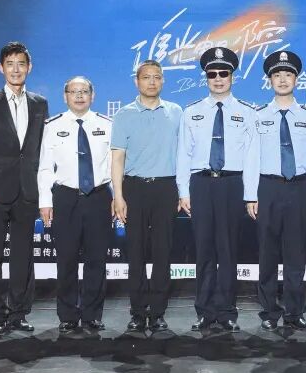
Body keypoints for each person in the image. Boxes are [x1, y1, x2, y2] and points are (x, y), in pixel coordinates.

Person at [176, 47, 260, 333]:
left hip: (232, 185)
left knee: (228, 251)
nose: (218, 79)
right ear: (206, 78)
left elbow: (252, 157)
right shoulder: (192, 112)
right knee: (204, 251)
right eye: (212, 74)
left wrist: (251, 194)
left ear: (232, 76)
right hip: (201, 185)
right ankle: (204, 311)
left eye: (224, 73)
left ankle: (227, 312)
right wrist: (183, 191)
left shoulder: (247, 112)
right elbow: (183, 154)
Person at [0, 41, 49, 337]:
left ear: (29, 67)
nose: (16, 69)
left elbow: (40, 150)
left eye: (21, 64)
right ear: (1, 67)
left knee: (23, 256)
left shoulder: (40, 103)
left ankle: (18, 313)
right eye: (10, 64)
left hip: (27, 190)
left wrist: (42, 191)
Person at [111, 60, 183, 334]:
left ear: (163, 81)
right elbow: (118, 158)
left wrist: (182, 191)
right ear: (136, 81)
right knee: (136, 253)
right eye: (146, 77)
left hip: (166, 188)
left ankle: (159, 313)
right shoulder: (124, 114)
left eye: (157, 77)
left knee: (163, 252)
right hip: (135, 188)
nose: (152, 82)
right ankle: (138, 312)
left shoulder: (176, 112)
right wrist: (118, 196)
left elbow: (184, 155)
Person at [37, 76, 113, 334]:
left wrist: (117, 198)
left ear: (93, 95)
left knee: (96, 259)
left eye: (84, 91)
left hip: (99, 197)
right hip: (65, 198)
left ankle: (92, 315)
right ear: (65, 96)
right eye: (73, 91)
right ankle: (68, 315)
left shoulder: (107, 124)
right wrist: (45, 201)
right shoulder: (52, 125)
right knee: (66, 259)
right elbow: (45, 167)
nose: (79, 96)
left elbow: (114, 166)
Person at [250, 51, 306, 332]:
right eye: (277, 75)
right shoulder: (258, 116)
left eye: (287, 74)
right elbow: (251, 158)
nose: (282, 79)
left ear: (296, 79)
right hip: (267, 188)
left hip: (298, 188)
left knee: (296, 255)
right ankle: (268, 312)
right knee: (267, 255)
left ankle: (295, 312)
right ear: (269, 80)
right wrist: (251, 195)